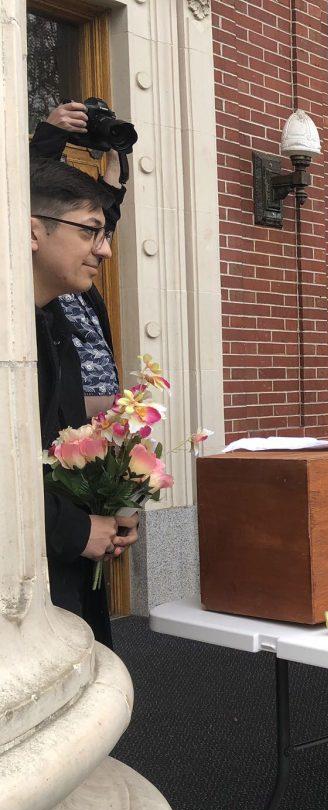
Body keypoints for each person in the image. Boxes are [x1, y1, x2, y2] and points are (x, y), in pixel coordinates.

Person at [31, 158, 139, 647]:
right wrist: (74, 530)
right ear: (34, 231)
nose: (107, 251)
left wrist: (114, 503)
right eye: (90, 231)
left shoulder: (58, 324)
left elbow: (66, 442)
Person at [31, 101, 126, 419]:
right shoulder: (47, 281)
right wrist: (50, 136)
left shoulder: (78, 275)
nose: (103, 251)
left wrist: (115, 170)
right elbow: (33, 195)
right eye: (88, 232)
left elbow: (95, 223)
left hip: (92, 447)